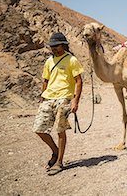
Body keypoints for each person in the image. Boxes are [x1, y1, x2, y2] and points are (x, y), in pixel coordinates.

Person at [33, 32, 84, 176]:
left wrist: (75, 101)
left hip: (64, 98)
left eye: (56, 45)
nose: (54, 48)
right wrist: (42, 97)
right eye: (52, 46)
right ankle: (55, 151)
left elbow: (79, 81)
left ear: (63, 45)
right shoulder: (49, 61)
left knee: (60, 130)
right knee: (39, 129)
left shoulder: (71, 60)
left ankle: (59, 162)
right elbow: (45, 80)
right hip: (48, 98)